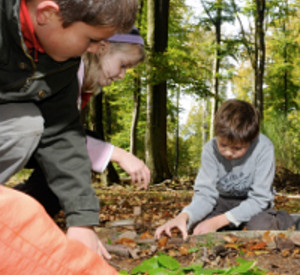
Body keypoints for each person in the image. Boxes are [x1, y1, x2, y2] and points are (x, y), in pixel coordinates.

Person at [0, 0, 138, 271]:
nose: (96, 50)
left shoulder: (60, 63)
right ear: (47, 14)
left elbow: (62, 133)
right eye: (92, 39)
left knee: (27, 124)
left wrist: (81, 220)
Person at [155, 99, 294, 241]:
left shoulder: (263, 148)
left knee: (261, 227)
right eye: (223, 144)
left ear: (252, 139)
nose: (228, 152)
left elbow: (260, 199)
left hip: (254, 204)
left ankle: (283, 219)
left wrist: (217, 222)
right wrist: (184, 216)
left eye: (237, 148)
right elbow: (205, 195)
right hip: (222, 203)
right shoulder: (210, 149)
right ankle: (231, 224)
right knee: (196, 225)